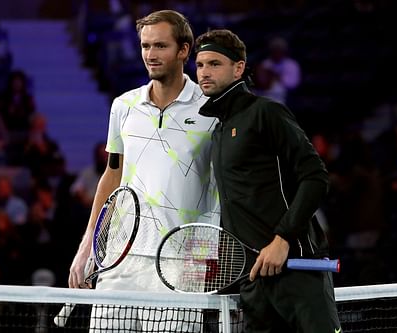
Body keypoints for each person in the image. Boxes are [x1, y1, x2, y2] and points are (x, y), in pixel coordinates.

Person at [68, 9, 218, 332]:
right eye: (145, 46)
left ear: (183, 50)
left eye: (160, 46)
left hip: (180, 263)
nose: (150, 55)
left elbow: (220, 187)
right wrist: (87, 247)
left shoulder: (211, 111)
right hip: (120, 259)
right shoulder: (123, 106)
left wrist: (205, 254)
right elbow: (112, 175)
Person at [195, 29, 341, 333]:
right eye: (200, 65)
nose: (204, 73)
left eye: (214, 64)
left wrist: (282, 239)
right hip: (254, 281)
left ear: (238, 68)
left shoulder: (266, 112)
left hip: (296, 270)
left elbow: (315, 176)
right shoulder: (220, 131)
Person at [253, 36, 301, 105]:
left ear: (284, 51)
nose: (277, 52)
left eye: (279, 50)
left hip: (285, 96)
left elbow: (293, 84)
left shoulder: (292, 64)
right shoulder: (266, 63)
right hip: (265, 95)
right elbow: (261, 82)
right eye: (275, 50)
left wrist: (276, 76)